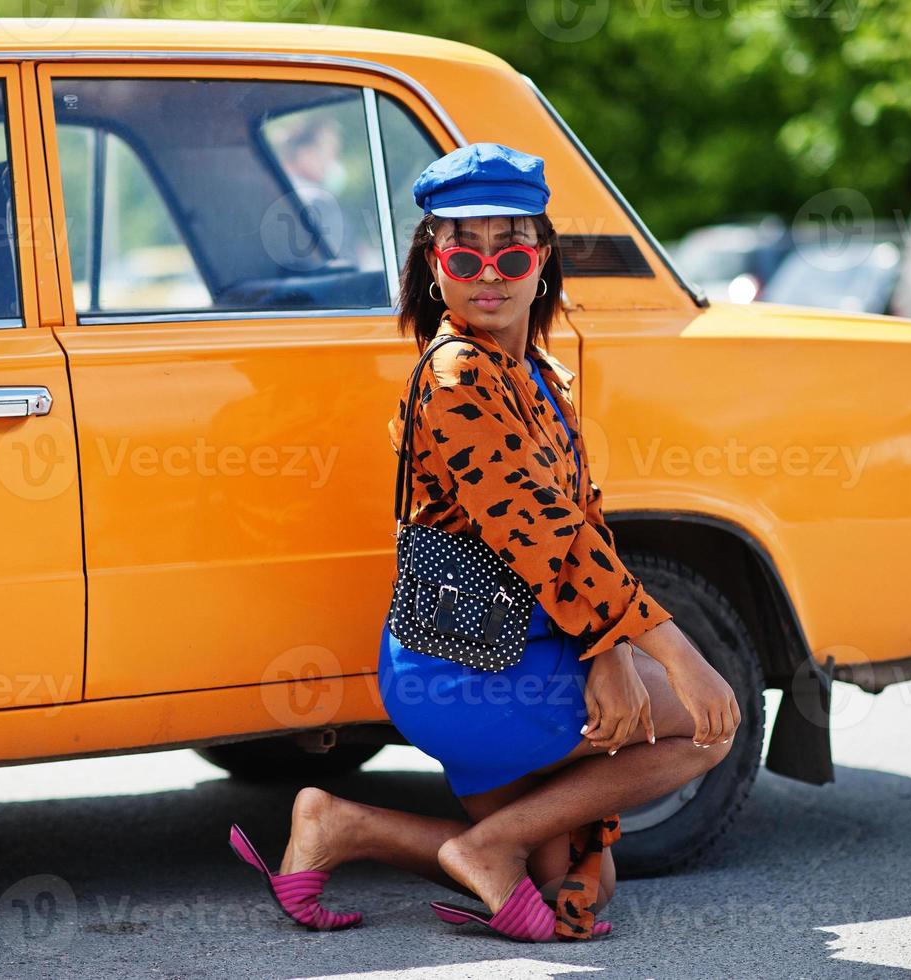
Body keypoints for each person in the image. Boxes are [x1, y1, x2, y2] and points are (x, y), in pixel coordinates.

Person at [229, 142, 742, 942]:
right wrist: (679, 655)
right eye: (464, 252)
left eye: (511, 250)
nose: (489, 272)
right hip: (468, 666)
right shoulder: (458, 376)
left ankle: (340, 825)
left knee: (581, 886)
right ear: (434, 265)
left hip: (520, 649)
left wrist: (609, 655)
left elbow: (579, 520)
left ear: (542, 260)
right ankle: (490, 844)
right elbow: (539, 533)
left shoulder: (532, 369)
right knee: (710, 728)